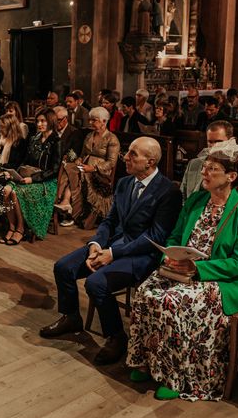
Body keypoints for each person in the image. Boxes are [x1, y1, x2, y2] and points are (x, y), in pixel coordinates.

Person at [126, 140, 238, 401]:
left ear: (231, 177)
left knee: (172, 302)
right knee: (145, 292)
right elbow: (176, 234)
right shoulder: (197, 200)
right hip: (183, 269)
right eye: (205, 167)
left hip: (221, 280)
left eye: (212, 169)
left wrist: (197, 268)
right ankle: (145, 362)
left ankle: (176, 377)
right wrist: (169, 254)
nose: (204, 173)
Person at [41, 137, 182, 366]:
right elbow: (110, 220)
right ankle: (71, 317)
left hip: (142, 255)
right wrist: (96, 245)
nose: (126, 157)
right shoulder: (125, 183)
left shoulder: (168, 191)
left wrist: (112, 254)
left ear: (151, 161)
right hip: (113, 245)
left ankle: (116, 337)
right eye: (128, 152)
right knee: (63, 267)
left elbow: (155, 237)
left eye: (133, 154)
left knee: (96, 283)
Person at [1, 107, 60, 244]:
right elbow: (25, 160)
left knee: (15, 192)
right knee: (6, 190)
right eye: (38, 121)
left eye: (43, 121)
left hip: (45, 181)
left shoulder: (56, 141)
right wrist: (13, 173)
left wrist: (33, 179)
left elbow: (55, 169)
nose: (39, 124)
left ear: (50, 121)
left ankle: (20, 229)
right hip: (27, 175)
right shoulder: (34, 138)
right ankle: (11, 226)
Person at [59, 107, 120, 230]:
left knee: (74, 172)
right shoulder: (89, 136)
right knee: (69, 167)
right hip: (84, 166)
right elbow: (82, 154)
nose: (91, 123)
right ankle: (65, 203)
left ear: (104, 121)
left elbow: (111, 163)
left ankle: (68, 207)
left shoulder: (112, 139)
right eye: (90, 120)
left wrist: (93, 168)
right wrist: (79, 159)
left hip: (100, 172)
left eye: (95, 120)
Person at [180, 121, 238, 201]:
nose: (213, 146)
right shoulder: (194, 164)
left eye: (218, 142)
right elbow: (181, 196)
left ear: (230, 141)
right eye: (210, 142)